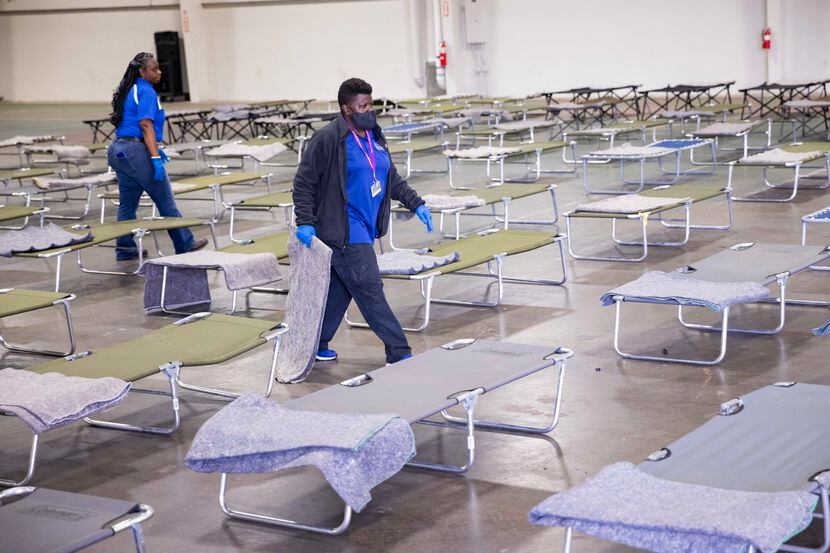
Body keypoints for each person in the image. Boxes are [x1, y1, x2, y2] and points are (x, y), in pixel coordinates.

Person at [292, 77, 433, 365]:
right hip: (342, 228)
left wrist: (415, 202)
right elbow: (303, 182)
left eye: (371, 104)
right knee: (369, 288)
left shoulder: (374, 136)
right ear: (347, 109)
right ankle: (399, 351)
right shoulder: (329, 138)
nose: (369, 110)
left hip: (365, 227)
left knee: (343, 287)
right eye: (362, 106)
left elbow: (389, 177)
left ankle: (315, 343)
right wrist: (305, 220)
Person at [107, 52, 207, 261]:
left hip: (119, 150)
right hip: (136, 152)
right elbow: (145, 124)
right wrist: (154, 157)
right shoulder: (146, 91)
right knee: (165, 199)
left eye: (158, 68)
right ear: (142, 72)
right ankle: (185, 244)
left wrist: (151, 148)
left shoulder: (129, 89)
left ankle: (125, 250)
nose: (159, 72)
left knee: (127, 203)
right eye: (154, 69)